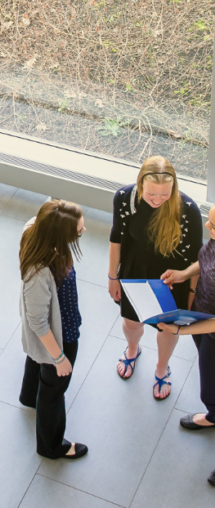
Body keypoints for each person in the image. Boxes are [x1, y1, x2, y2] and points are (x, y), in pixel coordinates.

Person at [108, 156, 202, 399]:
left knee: (168, 330)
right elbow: (116, 239)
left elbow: (195, 259)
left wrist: (191, 294)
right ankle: (132, 349)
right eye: (152, 194)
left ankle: (162, 367)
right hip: (134, 273)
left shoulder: (188, 210)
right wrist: (112, 277)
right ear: (140, 184)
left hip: (173, 280)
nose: (158, 200)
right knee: (131, 322)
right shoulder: (124, 198)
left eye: (165, 194)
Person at [18, 199, 88, 460]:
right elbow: (39, 323)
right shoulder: (39, 272)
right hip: (60, 334)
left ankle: (28, 397)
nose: (83, 231)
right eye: (79, 231)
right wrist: (59, 358)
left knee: (37, 362)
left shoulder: (35, 229)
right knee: (53, 390)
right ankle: (51, 446)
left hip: (57, 325)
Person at [159, 202, 215, 488]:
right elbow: (206, 260)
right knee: (210, 387)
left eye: (214, 226)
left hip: (209, 326)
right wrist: (183, 274)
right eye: (210, 221)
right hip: (202, 318)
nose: (208, 228)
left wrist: (181, 330)